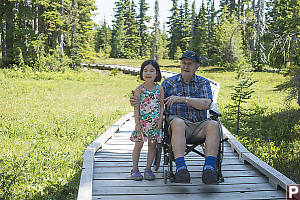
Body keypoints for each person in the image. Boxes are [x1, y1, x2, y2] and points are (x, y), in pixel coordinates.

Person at [130, 51, 220, 184]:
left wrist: (183, 99)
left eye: (190, 64)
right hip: (178, 126)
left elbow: (207, 104)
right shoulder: (169, 83)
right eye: (183, 63)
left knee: (213, 125)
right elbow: (152, 96)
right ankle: (181, 168)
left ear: (197, 66)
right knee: (178, 122)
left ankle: (209, 169)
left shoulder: (203, 83)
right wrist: (135, 100)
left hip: (200, 124)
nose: (186, 66)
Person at [130, 60, 164, 181]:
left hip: (155, 123)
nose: (148, 73)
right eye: (145, 70)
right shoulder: (140, 89)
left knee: (152, 146)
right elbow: (136, 107)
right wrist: (137, 123)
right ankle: (135, 169)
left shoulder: (159, 89)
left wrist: (160, 119)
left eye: (151, 70)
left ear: (157, 73)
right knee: (138, 145)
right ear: (141, 73)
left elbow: (161, 105)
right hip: (142, 123)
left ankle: (148, 168)